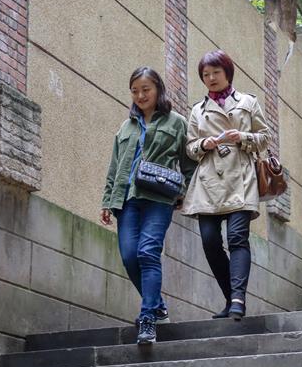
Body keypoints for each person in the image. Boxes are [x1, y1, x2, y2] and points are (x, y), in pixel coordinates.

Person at [100, 67, 196, 345]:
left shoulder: (176, 122)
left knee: (147, 252)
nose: (140, 96)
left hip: (158, 198)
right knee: (130, 256)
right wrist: (107, 200)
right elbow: (115, 166)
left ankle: (148, 320)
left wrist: (183, 192)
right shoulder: (126, 127)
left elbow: (189, 165)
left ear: (158, 89)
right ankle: (159, 307)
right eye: (135, 91)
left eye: (146, 89)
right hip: (126, 199)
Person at [181, 50, 270, 321]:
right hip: (208, 181)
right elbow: (190, 147)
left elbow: (265, 138)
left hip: (241, 177)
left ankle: (238, 299)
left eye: (215, 72)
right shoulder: (198, 110)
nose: (211, 78)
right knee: (210, 242)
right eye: (206, 74)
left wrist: (242, 136)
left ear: (227, 73)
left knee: (236, 238)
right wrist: (205, 144)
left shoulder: (248, 102)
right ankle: (230, 297)